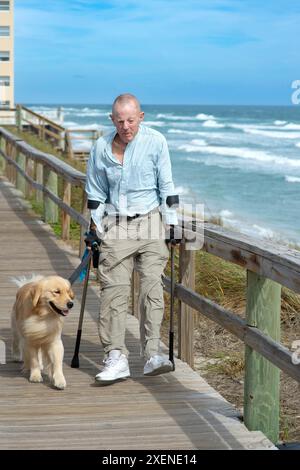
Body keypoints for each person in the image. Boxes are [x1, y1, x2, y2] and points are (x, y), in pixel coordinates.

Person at [85, 93, 179, 384]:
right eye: (120, 120)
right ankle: (116, 357)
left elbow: (167, 185)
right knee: (114, 292)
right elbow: (95, 194)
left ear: (141, 117)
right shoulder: (100, 148)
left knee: (151, 289)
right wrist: (92, 229)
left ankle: (152, 355)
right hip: (115, 225)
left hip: (151, 222)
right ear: (112, 120)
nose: (126, 126)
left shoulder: (156, 141)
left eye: (131, 120)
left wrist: (172, 223)